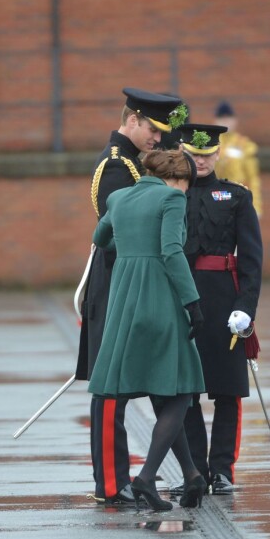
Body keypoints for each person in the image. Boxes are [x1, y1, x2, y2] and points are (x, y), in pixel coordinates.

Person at [75, 88, 187, 505]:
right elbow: (120, 233)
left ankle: (145, 475)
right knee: (110, 386)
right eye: (154, 130)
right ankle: (110, 481)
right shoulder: (118, 166)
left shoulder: (135, 163)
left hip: (131, 280)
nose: (158, 139)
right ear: (133, 120)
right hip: (118, 282)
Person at [88, 149, 206, 511]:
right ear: (177, 178)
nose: (185, 192)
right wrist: (192, 302)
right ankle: (145, 477)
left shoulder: (119, 197)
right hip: (160, 296)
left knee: (165, 392)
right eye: (187, 184)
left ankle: (192, 476)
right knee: (181, 389)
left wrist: (129, 251)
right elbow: (171, 252)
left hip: (125, 299)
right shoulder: (171, 198)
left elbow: (100, 237)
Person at [180, 123, 263, 495]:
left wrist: (246, 306)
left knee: (227, 389)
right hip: (180, 296)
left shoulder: (236, 197)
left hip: (223, 298)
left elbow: (251, 259)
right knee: (184, 388)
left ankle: (223, 468)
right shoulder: (170, 194)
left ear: (217, 155)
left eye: (206, 154)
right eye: (193, 154)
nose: (200, 161)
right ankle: (195, 468)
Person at [213, 101, 263, 217]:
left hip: (239, 198)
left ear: (235, 120)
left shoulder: (245, 145)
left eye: (228, 118)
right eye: (221, 118)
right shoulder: (211, 145)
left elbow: (252, 178)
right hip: (216, 198)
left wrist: (256, 205)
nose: (225, 121)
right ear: (215, 121)